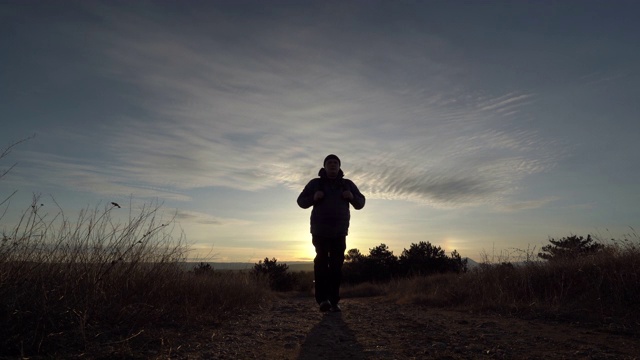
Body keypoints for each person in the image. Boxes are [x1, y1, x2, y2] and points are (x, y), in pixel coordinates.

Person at [297, 154, 365, 312]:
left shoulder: (347, 184)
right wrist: (314, 197)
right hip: (320, 230)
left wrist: (352, 196)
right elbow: (301, 201)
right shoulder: (315, 183)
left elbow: (361, 202)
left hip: (340, 231)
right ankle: (323, 300)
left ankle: (334, 301)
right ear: (325, 166)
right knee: (321, 264)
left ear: (339, 166)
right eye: (330, 163)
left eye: (335, 163)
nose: (333, 165)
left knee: (336, 266)